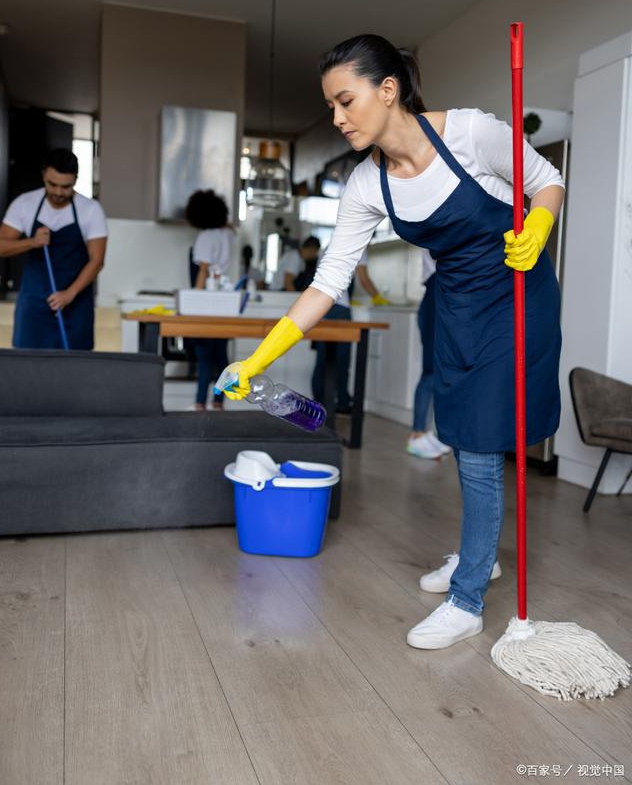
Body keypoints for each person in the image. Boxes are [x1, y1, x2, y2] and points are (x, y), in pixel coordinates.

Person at [220, 34, 564, 651]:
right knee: (459, 432)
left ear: (388, 89)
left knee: (483, 442)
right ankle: (479, 556)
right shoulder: (366, 185)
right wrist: (258, 357)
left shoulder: (469, 134)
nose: (337, 118)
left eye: (345, 101)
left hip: (519, 293)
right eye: (330, 106)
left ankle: (467, 602)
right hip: (457, 302)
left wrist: (537, 223)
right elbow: (327, 284)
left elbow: (547, 180)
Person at [0, 148, 108, 350]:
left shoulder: (90, 210)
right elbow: (0, 248)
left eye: (66, 187)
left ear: (75, 180)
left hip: (75, 304)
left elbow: (97, 260)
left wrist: (69, 294)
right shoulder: (24, 204)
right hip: (34, 304)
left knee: (73, 369)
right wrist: (32, 242)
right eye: (52, 184)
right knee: (30, 368)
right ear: (43, 175)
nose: (58, 192)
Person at [311, 249, 389, 414]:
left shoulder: (326, 247)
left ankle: (318, 404)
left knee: (322, 359)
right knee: (341, 359)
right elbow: (363, 278)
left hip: (319, 307)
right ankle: (342, 404)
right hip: (339, 307)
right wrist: (377, 297)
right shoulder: (359, 243)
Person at [186, 189, 234, 411]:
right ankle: (218, 403)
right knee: (221, 356)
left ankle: (199, 405)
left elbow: (203, 271)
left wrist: (194, 299)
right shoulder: (227, 234)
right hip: (224, 303)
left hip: (206, 302)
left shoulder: (205, 237)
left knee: (204, 358)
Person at [406, 248, 452, 459]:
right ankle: (417, 435)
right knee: (430, 371)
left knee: (437, 372)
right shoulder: (434, 225)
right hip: (436, 293)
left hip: (440, 293)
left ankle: (425, 433)